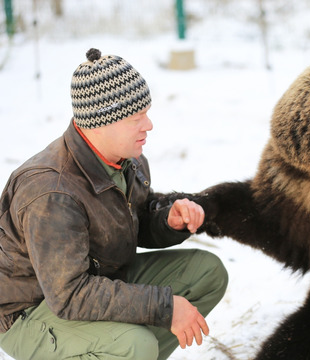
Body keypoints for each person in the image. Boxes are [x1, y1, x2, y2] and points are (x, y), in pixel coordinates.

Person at [0, 48, 228, 360]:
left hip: (96, 279)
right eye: (137, 118)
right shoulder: (52, 192)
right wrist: (164, 308)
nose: (148, 125)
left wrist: (167, 221)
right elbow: (69, 295)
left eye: (146, 113)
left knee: (207, 273)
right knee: (135, 345)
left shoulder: (127, 161)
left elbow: (129, 224)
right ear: (100, 122)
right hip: (30, 312)